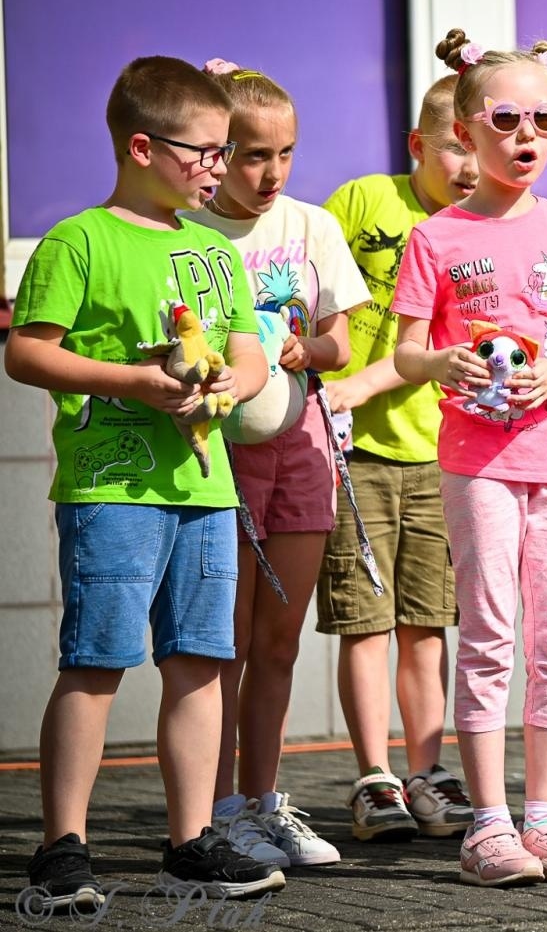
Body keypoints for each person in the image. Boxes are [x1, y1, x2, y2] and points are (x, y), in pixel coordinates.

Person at [8, 55, 280, 907]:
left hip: (205, 492)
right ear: (141, 147)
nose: (218, 167)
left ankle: (190, 843)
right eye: (204, 151)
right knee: (95, 662)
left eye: (225, 150)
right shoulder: (79, 240)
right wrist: (133, 381)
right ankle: (62, 847)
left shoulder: (216, 250)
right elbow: (27, 351)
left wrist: (234, 379)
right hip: (112, 490)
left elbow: (247, 352)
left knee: (201, 661)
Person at [393, 28, 547, 887]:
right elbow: (409, 351)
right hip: (478, 463)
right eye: (507, 119)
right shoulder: (436, 236)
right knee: (488, 636)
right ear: (466, 132)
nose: (528, 135)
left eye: (544, 119)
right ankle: (488, 824)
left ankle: (545, 819)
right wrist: (442, 363)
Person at [183, 61, 370, 868]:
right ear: (217, 153)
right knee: (221, 642)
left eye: (285, 153)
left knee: (280, 641)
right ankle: (218, 809)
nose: (272, 173)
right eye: (253, 155)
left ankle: (263, 800)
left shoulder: (311, 226)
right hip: (218, 457)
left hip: (303, 450)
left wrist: (303, 349)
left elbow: (341, 342)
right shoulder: (189, 231)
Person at [318, 74, 476, 844]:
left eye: (480, 148)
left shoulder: (478, 231)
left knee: (426, 625)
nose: (470, 165)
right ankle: (374, 776)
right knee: (365, 621)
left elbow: (446, 345)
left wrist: (363, 382)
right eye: (454, 147)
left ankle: (426, 771)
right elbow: (309, 287)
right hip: (358, 454)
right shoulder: (363, 201)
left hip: (440, 450)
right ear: (417, 144)